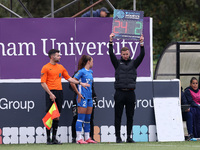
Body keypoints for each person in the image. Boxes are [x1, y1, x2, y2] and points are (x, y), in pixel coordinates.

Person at [41, 49, 90, 145]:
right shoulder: (45, 68)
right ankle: (48, 139)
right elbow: (43, 83)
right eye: (58, 55)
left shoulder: (61, 67)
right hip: (50, 93)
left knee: (57, 116)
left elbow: (69, 78)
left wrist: (80, 83)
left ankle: (54, 138)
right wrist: (50, 94)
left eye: (59, 55)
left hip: (59, 93)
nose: (60, 57)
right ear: (52, 57)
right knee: (50, 115)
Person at [109, 33, 145, 143]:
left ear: (129, 54)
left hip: (130, 93)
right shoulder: (117, 63)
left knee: (130, 116)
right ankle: (118, 137)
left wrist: (141, 43)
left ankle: (129, 137)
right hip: (119, 93)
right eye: (123, 54)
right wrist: (110, 41)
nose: (125, 55)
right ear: (121, 54)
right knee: (118, 116)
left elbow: (142, 55)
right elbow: (111, 54)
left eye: (127, 54)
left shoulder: (134, 63)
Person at [70, 55, 97, 144]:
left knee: (88, 119)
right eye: (92, 61)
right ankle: (78, 138)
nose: (93, 62)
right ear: (88, 61)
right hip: (83, 98)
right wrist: (78, 94)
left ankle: (87, 137)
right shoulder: (81, 72)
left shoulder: (90, 72)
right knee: (80, 118)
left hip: (89, 98)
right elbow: (72, 82)